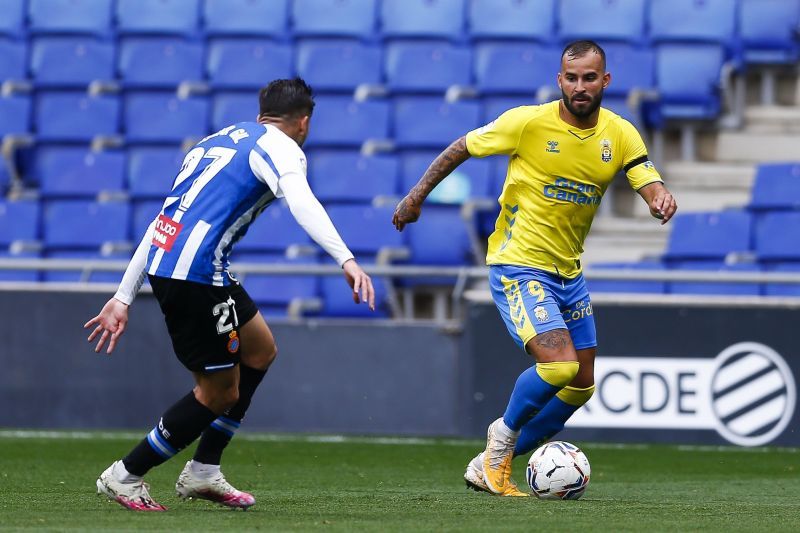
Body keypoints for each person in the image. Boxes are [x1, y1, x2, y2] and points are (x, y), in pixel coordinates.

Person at [392, 40, 677, 497]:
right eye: (571, 77)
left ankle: (489, 465)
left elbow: (642, 171)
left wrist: (658, 195)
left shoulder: (620, 133)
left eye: (589, 78)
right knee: (560, 367)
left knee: (582, 384)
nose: (580, 87)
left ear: (605, 81)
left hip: (568, 272)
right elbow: (460, 147)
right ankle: (500, 442)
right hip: (519, 264)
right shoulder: (527, 122)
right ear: (559, 79)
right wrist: (415, 196)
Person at [86, 78, 375, 511]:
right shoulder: (283, 148)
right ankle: (125, 474)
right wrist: (346, 260)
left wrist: (124, 294)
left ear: (262, 112)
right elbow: (302, 201)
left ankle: (204, 471)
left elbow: (164, 222)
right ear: (303, 122)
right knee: (219, 392)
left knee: (260, 350)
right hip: (195, 276)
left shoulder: (215, 141)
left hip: (194, 268)